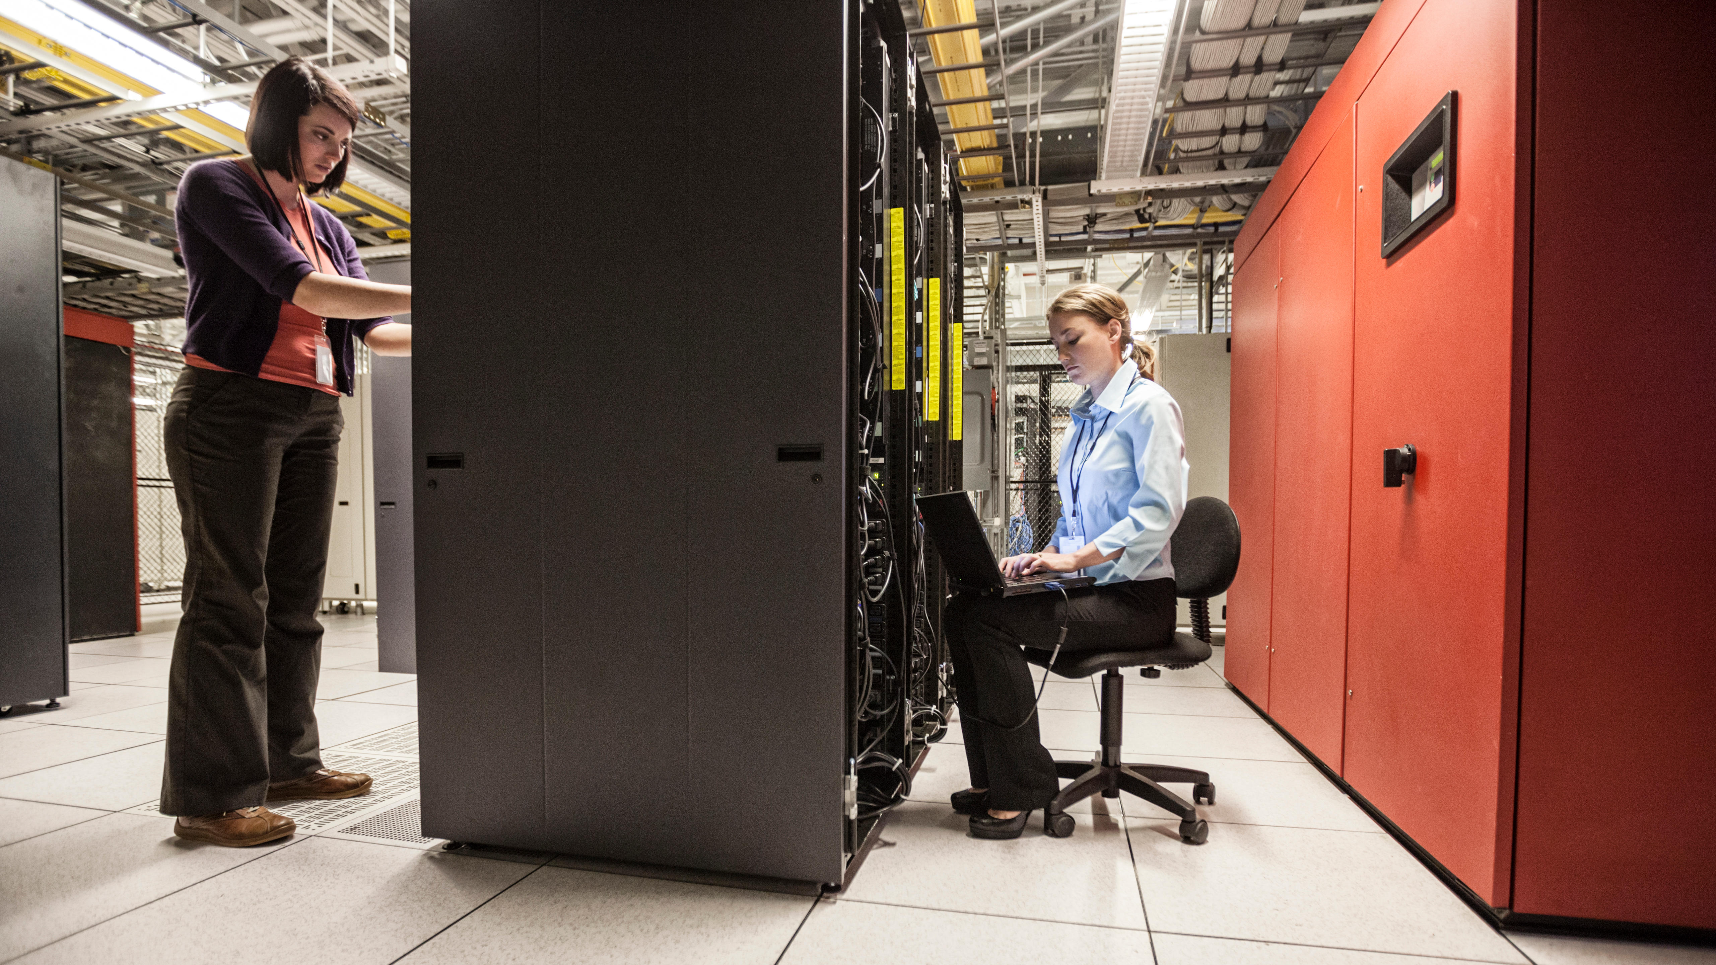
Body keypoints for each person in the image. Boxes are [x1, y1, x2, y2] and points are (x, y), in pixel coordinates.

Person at [161, 57, 414, 847]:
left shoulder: (331, 225)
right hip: (229, 406)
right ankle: (211, 797)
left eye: (341, 143)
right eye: (319, 135)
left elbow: (375, 334)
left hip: (314, 412)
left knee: (295, 602)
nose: (333, 153)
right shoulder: (217, 185)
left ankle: (288, 761)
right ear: (277, 121)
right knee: (229, 598)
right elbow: (301, 289)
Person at [945, 283, 1187, 840]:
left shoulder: (1148, 408)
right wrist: (1047, 556)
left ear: (1114, 331)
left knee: (987, 624)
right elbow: (1079, 515)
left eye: (1072, 340)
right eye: (1057, 345)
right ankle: (992, 778)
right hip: (1087, 586)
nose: (1063, 354)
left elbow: (1158, 512)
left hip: (1136, 599)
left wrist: (1076, 558)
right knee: (964, 612)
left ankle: (1024, 786)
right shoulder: (1085, 417)